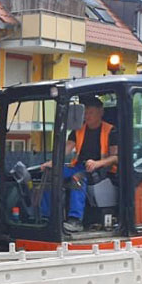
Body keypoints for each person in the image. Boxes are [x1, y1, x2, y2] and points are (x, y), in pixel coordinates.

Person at [41, 95, 117, 234]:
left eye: (91, 113)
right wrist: (52, 163)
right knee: (50, 174)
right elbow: (67, 149)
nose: (87, 116)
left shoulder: (110, 131)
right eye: (85, 113)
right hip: (79, 165)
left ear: (101, 112)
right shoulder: (78, 130)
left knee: (77, 178)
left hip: (102, 169)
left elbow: (115, 157)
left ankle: (75, 220)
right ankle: (47, 216)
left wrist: (97, 163)